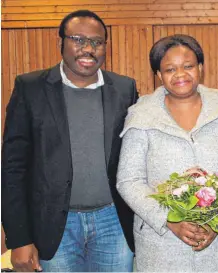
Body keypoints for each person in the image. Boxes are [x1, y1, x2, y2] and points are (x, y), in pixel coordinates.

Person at [1, 10, 138, 272]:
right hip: (54, 226)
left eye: (97, 42)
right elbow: (13, 169)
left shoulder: (124, 89)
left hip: (113, 222)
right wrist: (18, 238)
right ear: (60, 42)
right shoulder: (30, 88)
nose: (88, 49)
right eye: (78, 39)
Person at [116, 34, 218, 271]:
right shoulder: (141, 115)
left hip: (214, 243)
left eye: (188, 66)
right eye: (170, 69)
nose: (180, 74)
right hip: (160, 245)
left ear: (200, 67)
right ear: (159, 75)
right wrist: (168, 220)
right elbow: (128, 180)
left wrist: (215, 219)